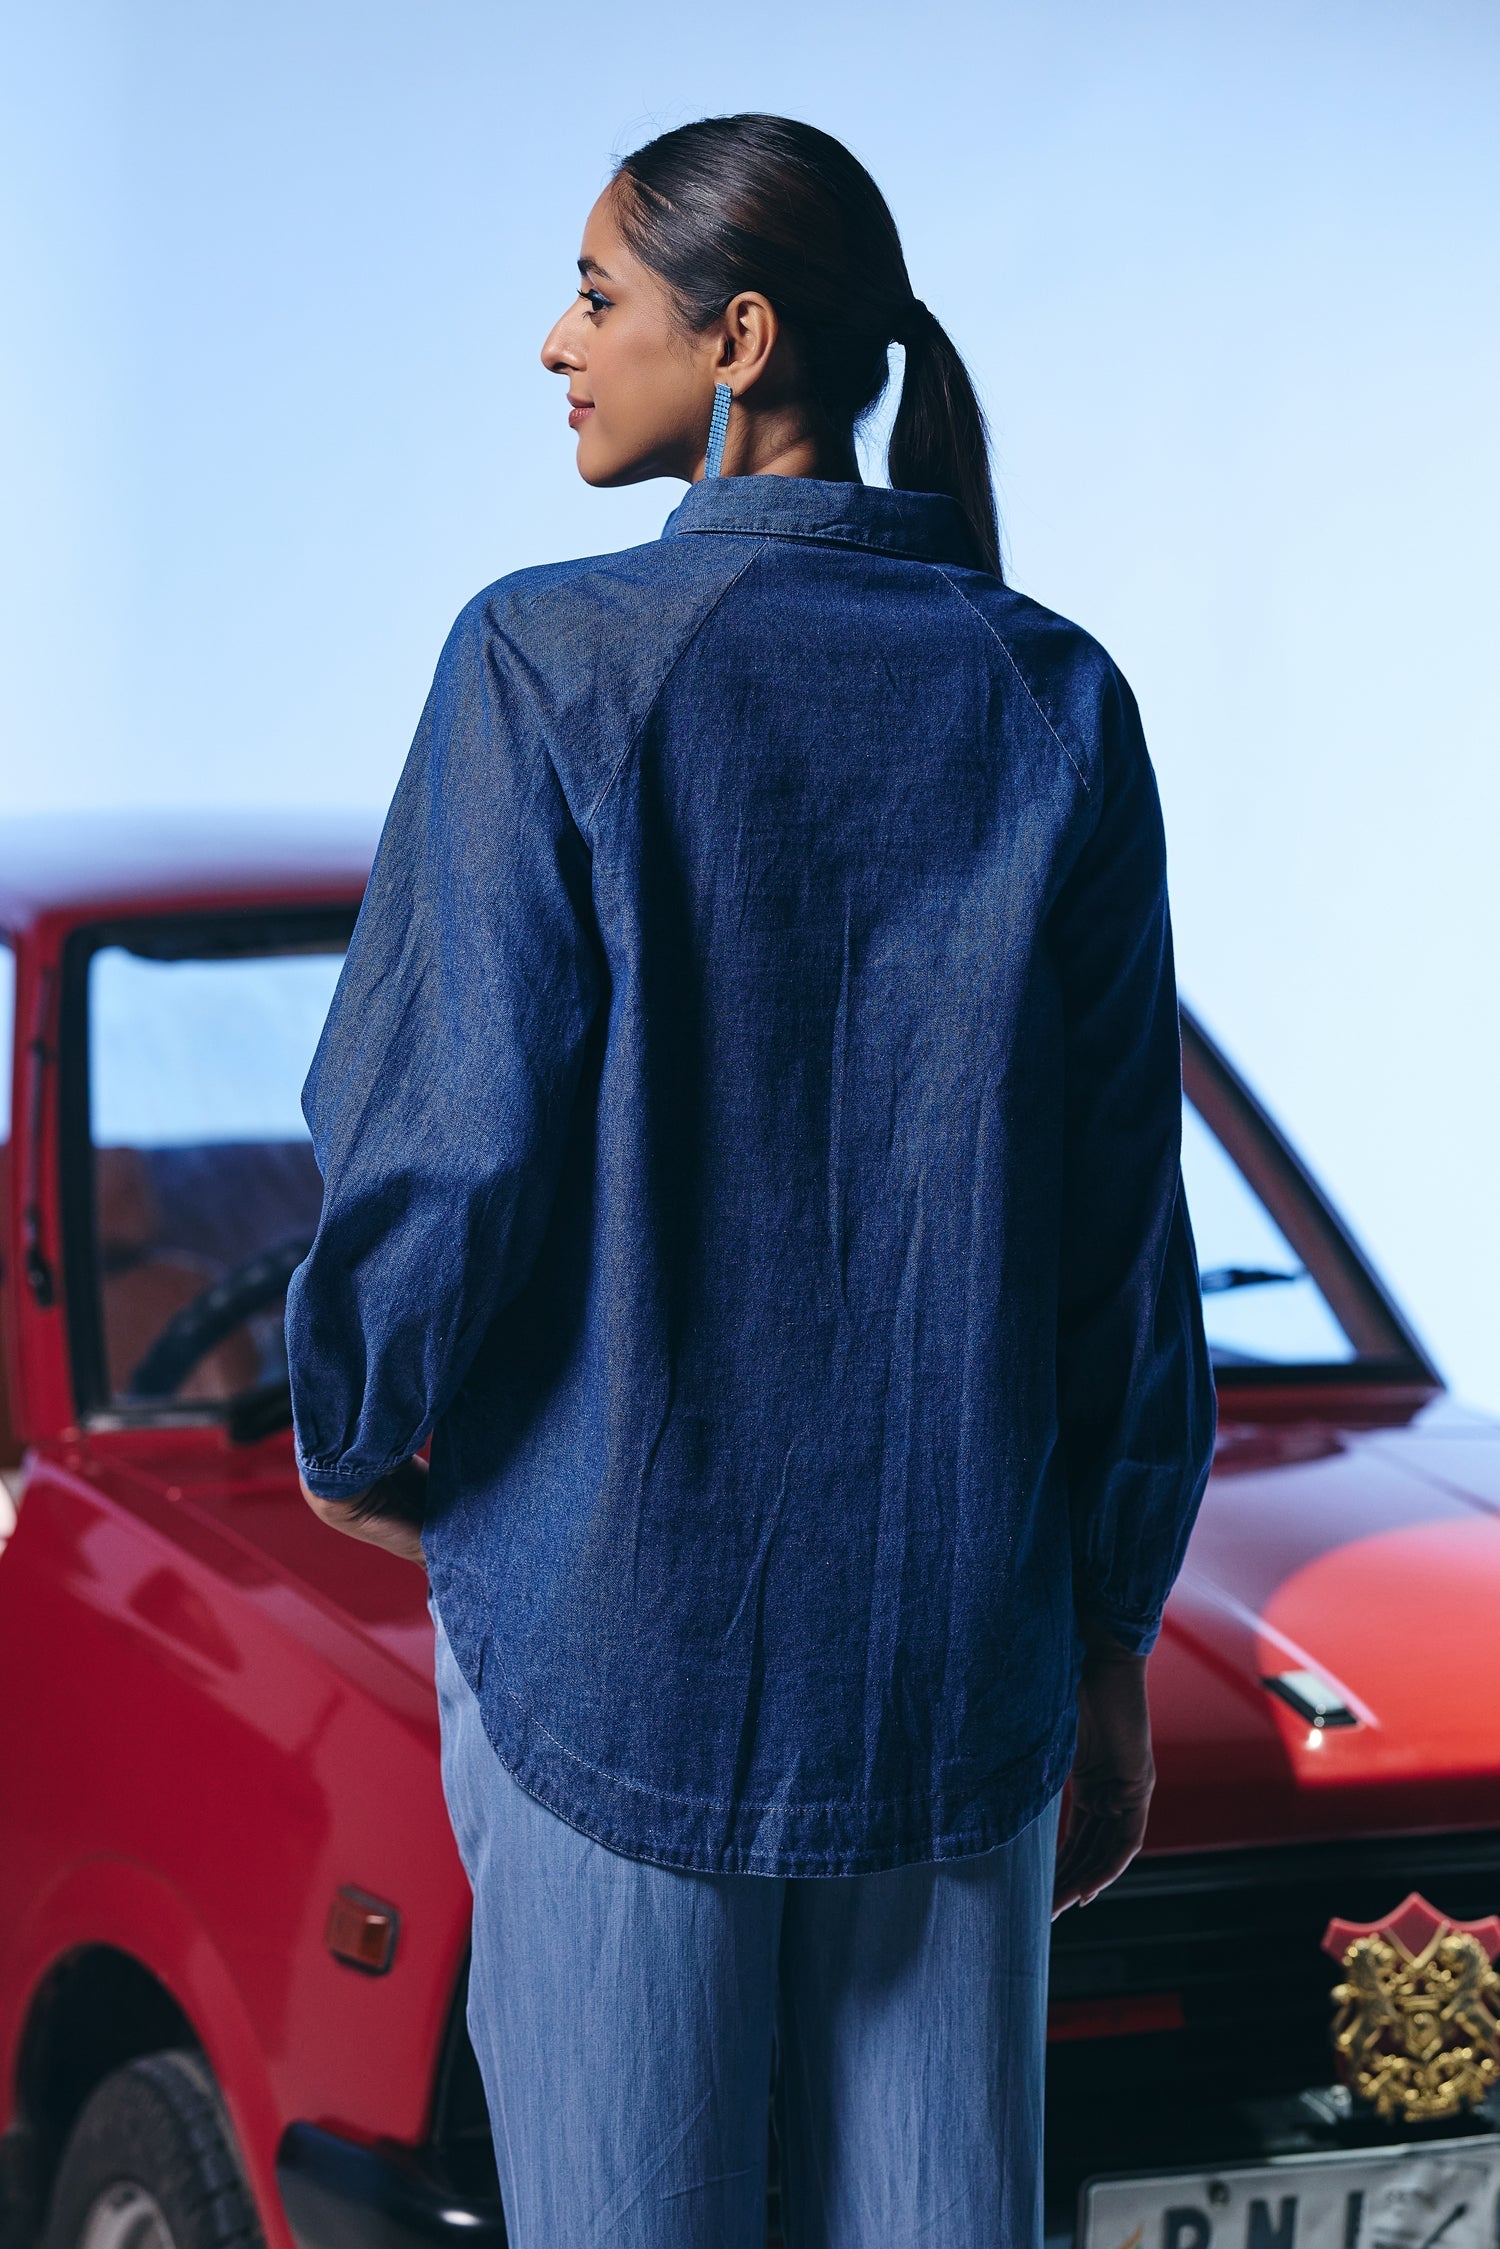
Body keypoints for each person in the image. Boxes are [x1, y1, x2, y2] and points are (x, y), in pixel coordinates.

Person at [287, 112, 1215, 2249]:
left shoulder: (545, 663)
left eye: (598, 296)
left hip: (614, 1628)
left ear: (742, 339)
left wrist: (355, 1416)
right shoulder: (1056, 698)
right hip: (963, 1644)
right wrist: (1102, 1628)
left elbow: (450, 1132)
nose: (556, 341)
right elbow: (1115, 1227)